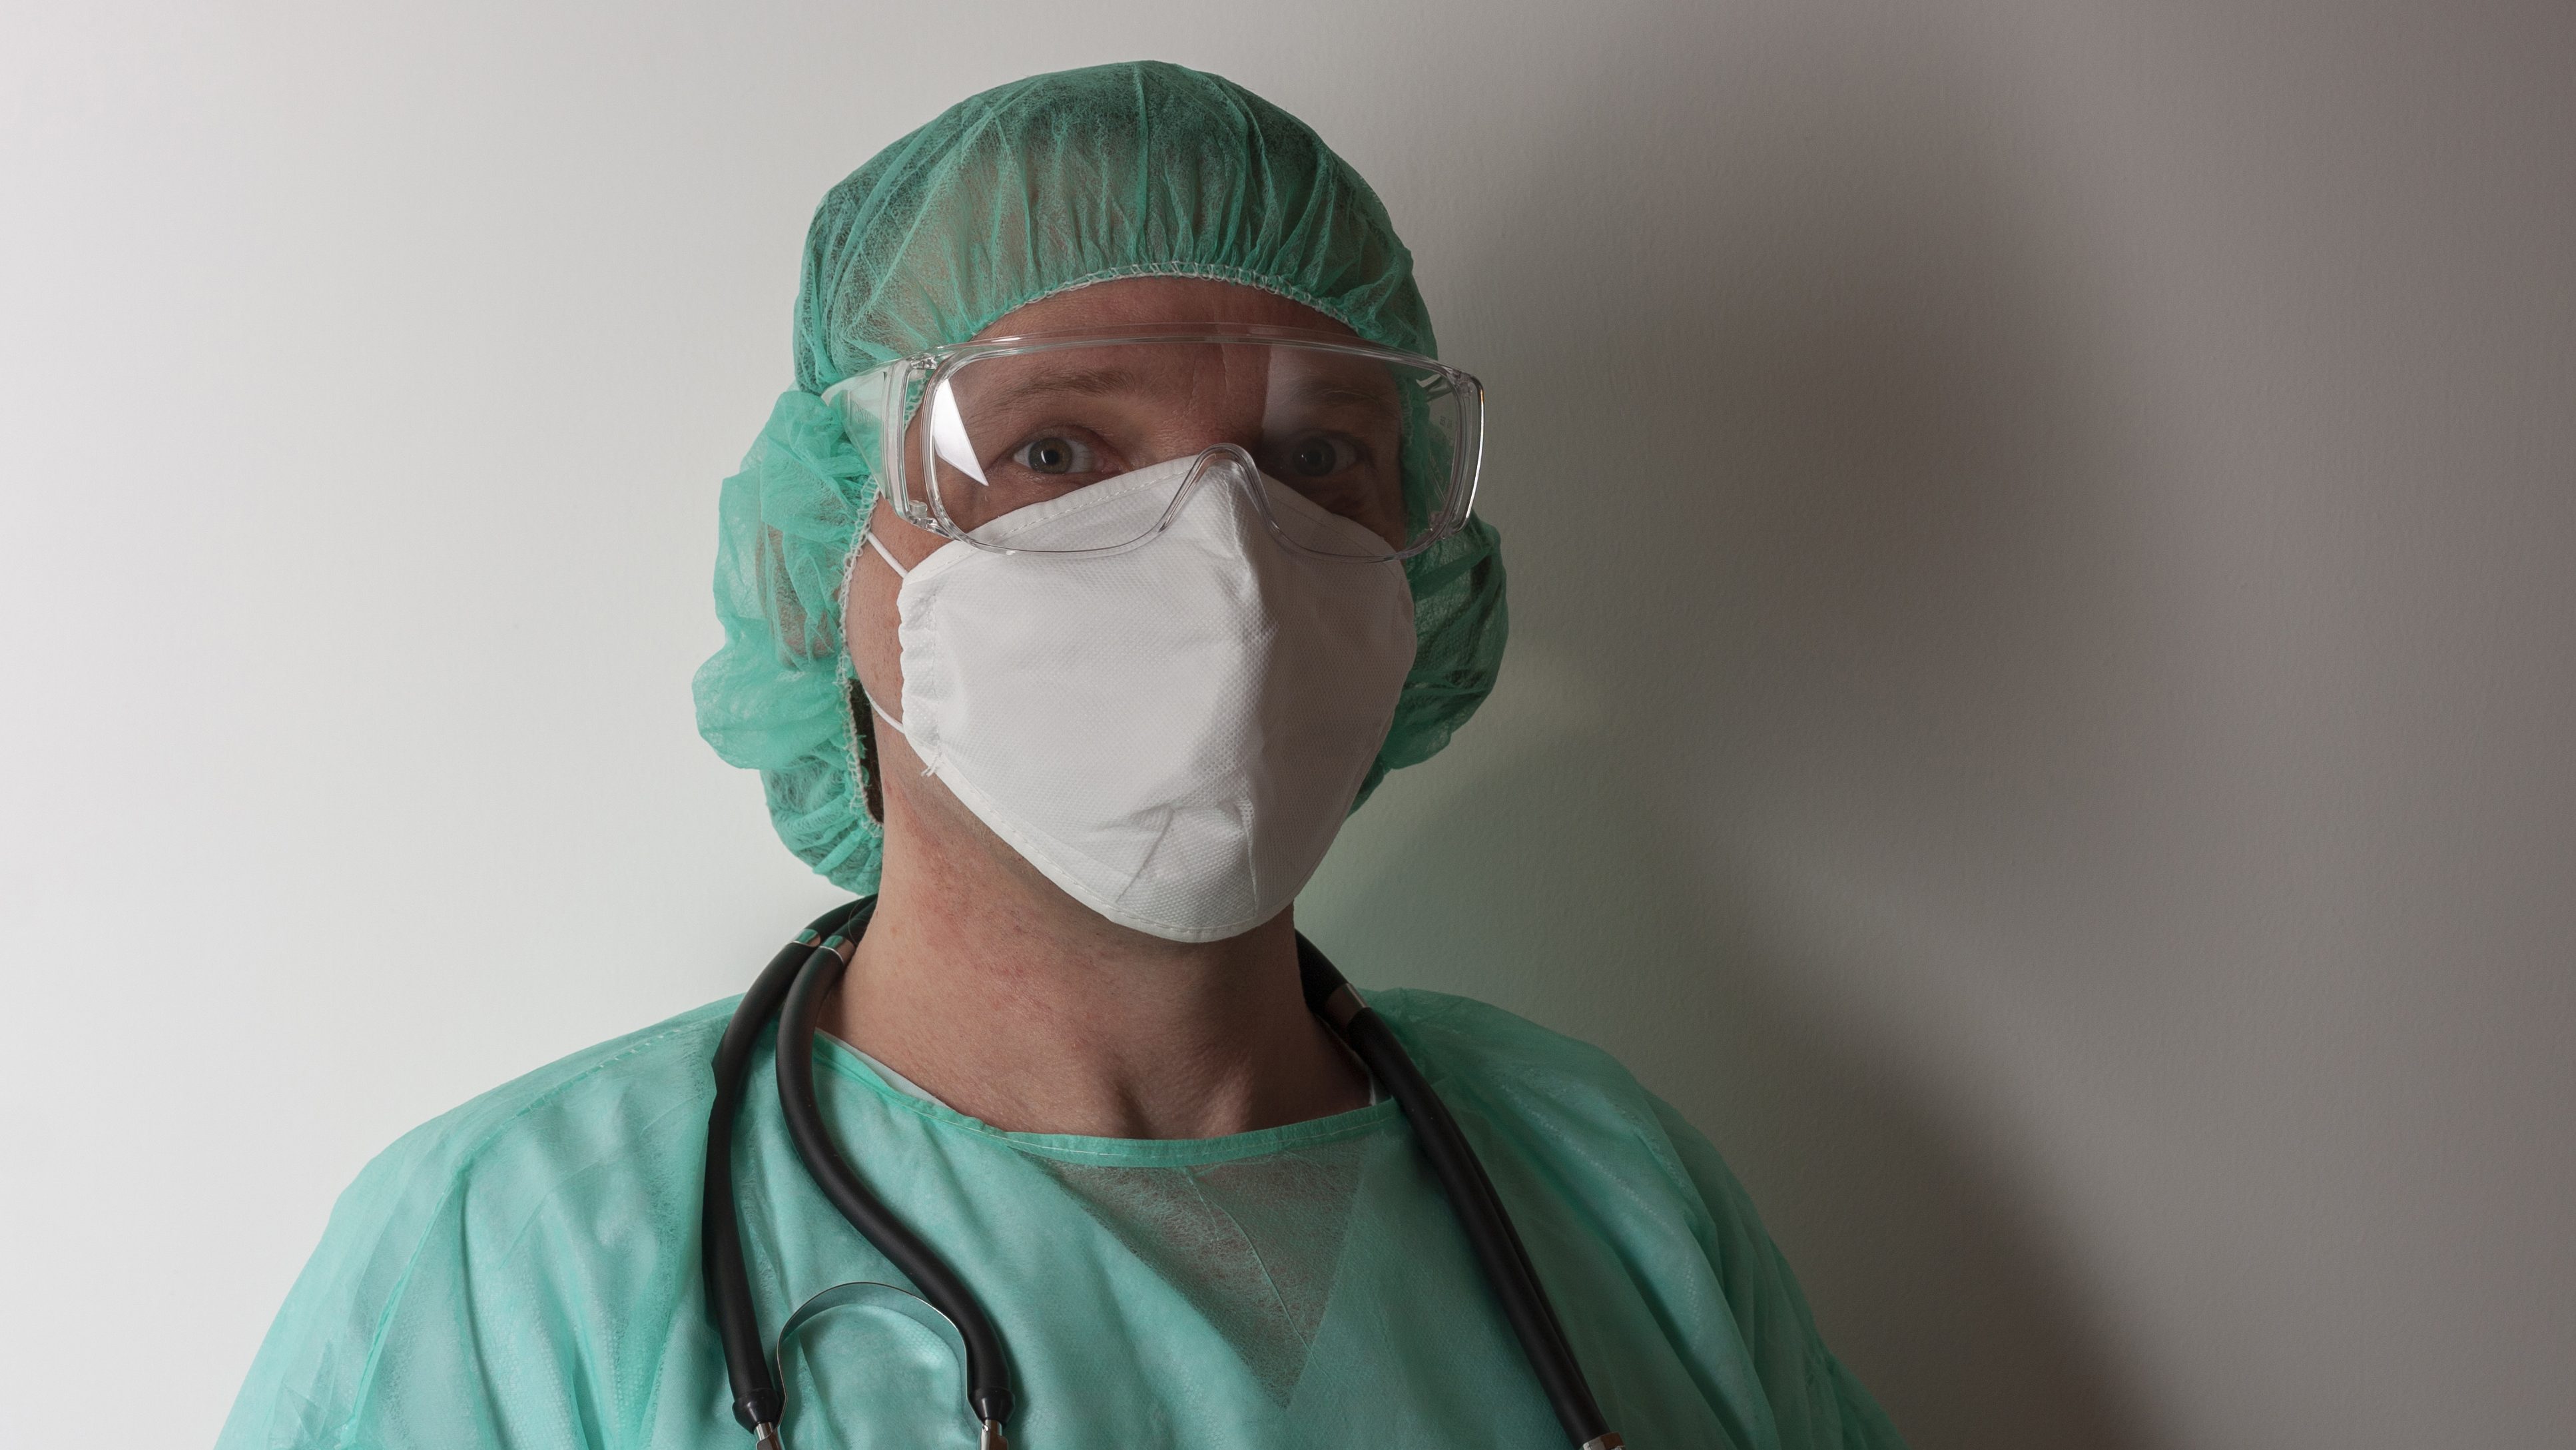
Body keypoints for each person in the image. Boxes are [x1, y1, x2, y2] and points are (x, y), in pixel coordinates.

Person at [218, 61, 1907, 1450]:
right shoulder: (524, 1259)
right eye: (1054, 450)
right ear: (826, 557)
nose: (1226, 557)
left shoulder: (1605, 1187)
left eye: (1316, 454)